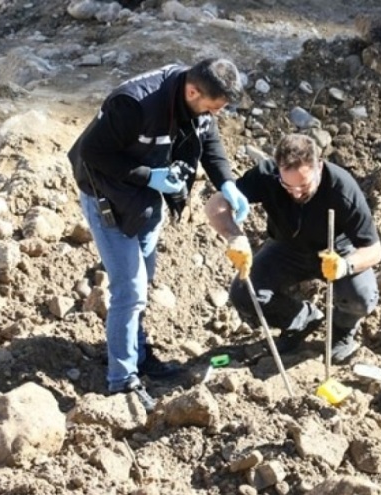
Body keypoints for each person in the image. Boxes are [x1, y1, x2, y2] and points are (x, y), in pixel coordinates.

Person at [67, 58, 250, 411]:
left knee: (143, 280)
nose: (215, 114)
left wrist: (227, 183)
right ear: (193, 91)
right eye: (213, 106)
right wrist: (146, 175)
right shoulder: (135, 102)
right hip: (106, 193)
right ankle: (121, 381)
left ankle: (137, 351)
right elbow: (92, 154)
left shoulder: (195, 101)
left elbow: (208, 139)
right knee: (130, 289)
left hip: (146, 199)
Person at [205, 134, 381, 363]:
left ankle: (342, 331)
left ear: (318, 166)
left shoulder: (342, 187)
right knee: (244, 293)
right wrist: (234, 236)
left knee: (361, 297)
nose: (296, 193)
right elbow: (216, 203)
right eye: (288, 185)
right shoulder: (266, 175)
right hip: (287, 248)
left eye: (304, 185)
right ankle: (303, 319)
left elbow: (374, 250)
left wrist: (345, 266)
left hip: (336, 251)